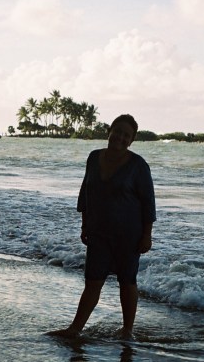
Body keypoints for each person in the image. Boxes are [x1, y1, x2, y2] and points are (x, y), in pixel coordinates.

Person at [49, 114, 156, 340]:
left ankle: (127, 330)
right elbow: (85, 192)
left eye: (126, 135)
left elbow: (148, 203)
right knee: (93, 281)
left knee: (127, 281)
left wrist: (147, 235)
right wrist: (84, 224)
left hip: (128, 234)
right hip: (98, 231)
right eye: (117, 131)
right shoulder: (94, 157)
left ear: (132, 140)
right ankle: (75, 328)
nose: (120, 137)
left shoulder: (138, 165)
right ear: (109, 131)